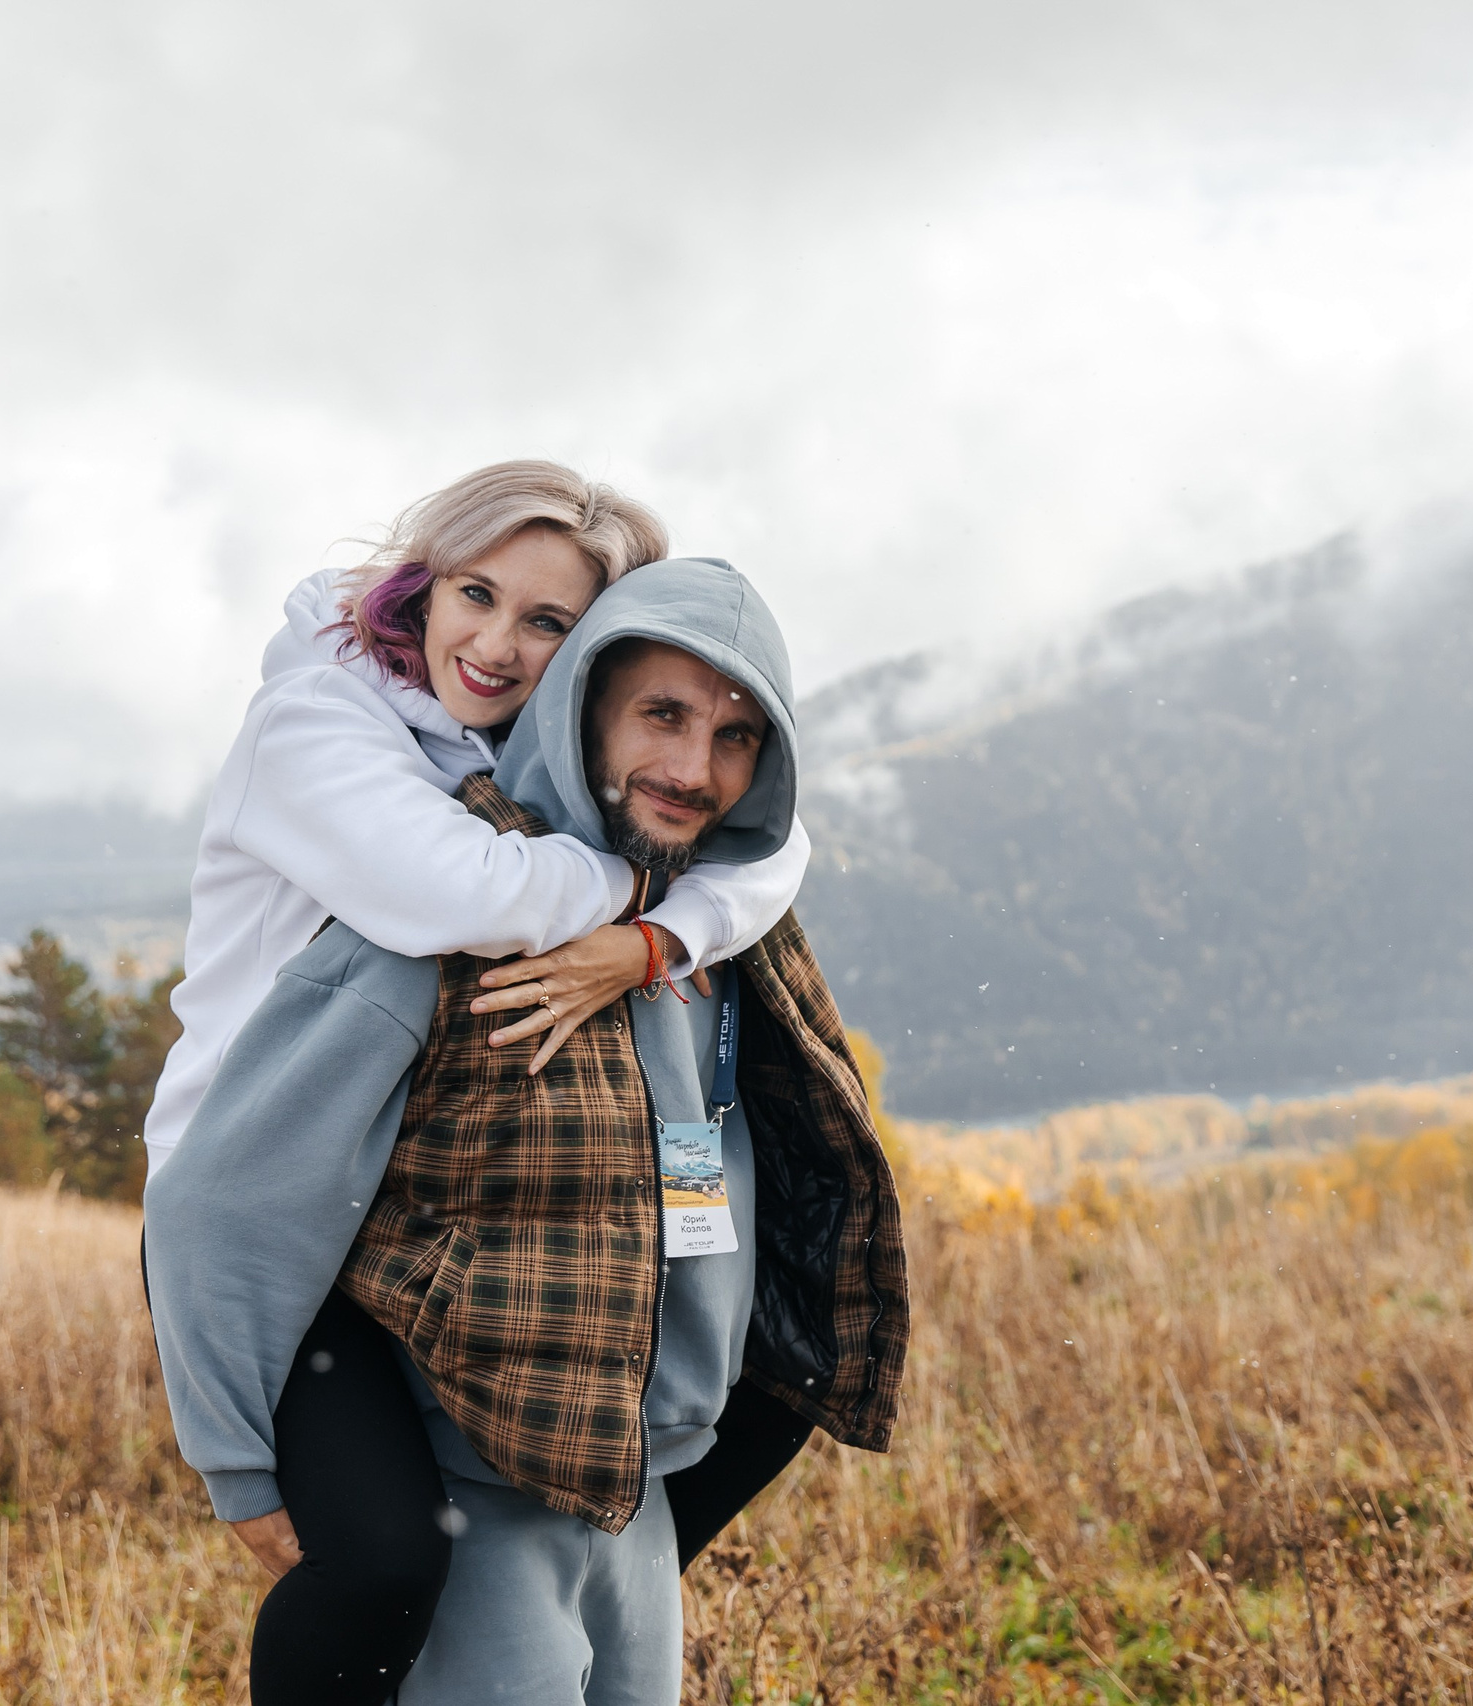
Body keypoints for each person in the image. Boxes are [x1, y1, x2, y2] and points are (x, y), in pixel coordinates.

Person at [145, 557, 908, 1706]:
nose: (695, 769)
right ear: (583, 699)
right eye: (662, 714)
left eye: (739, 736)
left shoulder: (718, 929)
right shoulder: (451, 912)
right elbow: (227, 1199)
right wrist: (243, 1465)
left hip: (641, 1495)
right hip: (482, 1493)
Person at [144, 459, 813, 1181]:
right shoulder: (308, 723)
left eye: (545, 622)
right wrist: (639, 885)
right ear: (427, 586)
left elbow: (774, 845)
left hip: (387, 1176)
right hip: (235, 1159)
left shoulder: (529, 737)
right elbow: (466, 891)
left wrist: (656, 945)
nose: (496, 647)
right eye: (476, 594)